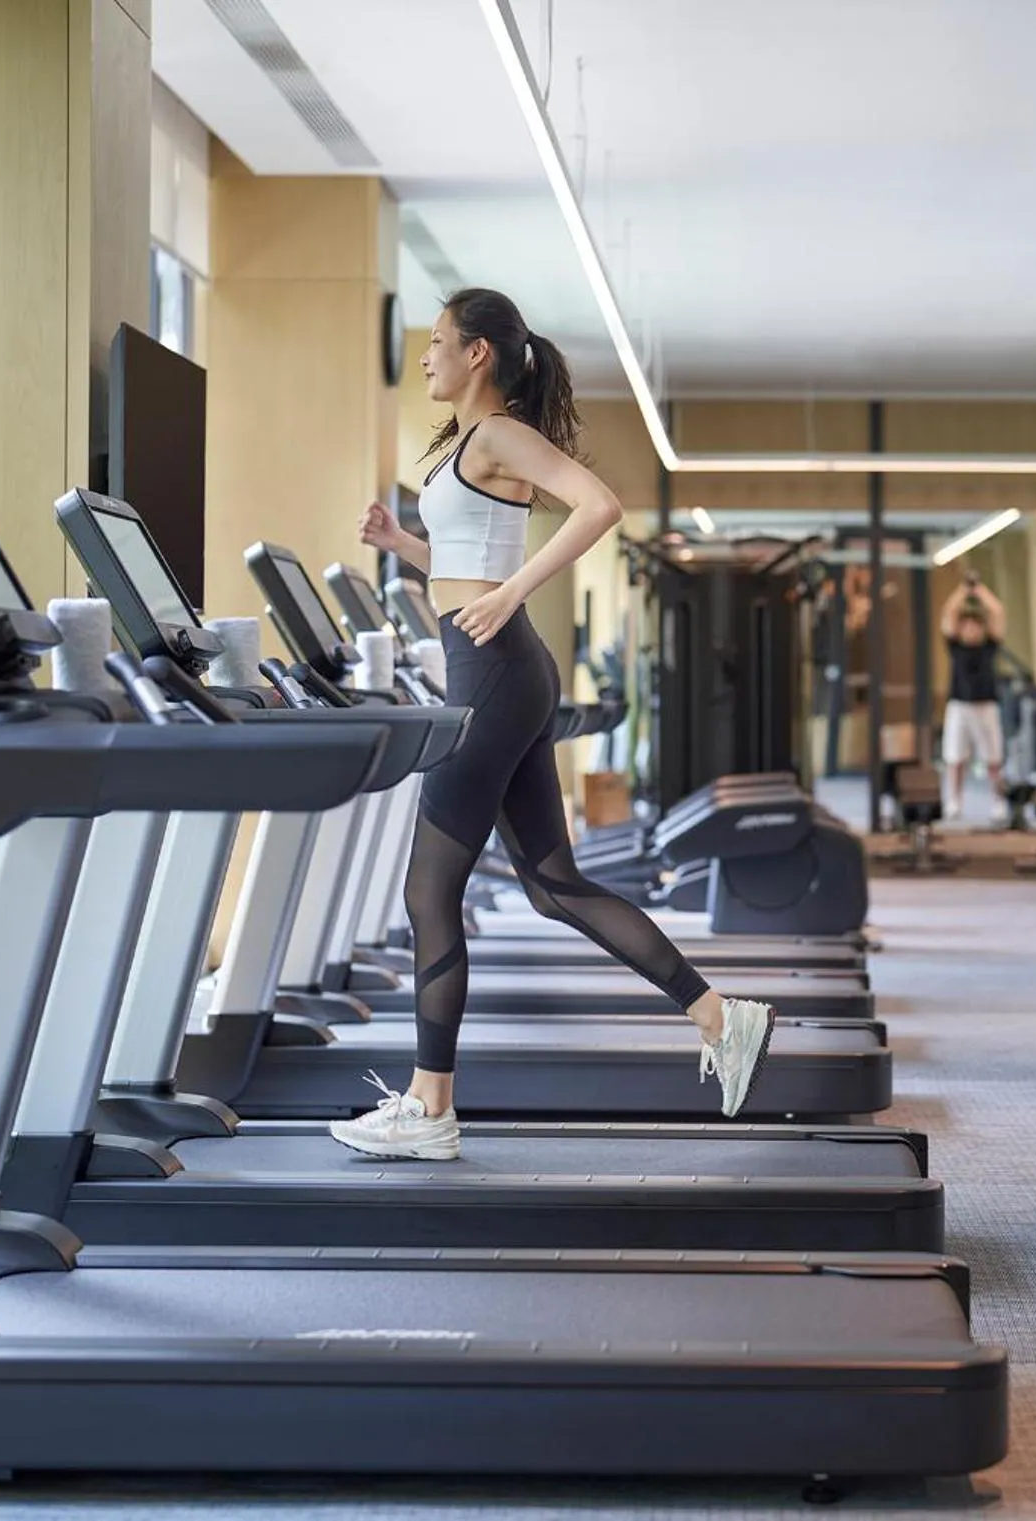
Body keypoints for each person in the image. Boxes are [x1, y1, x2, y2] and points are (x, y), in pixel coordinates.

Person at [333, 288, 774, 1160]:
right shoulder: (467, 445)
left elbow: (598, 504)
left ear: (478, 356)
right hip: (498, 666)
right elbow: (469, 561)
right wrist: (403, 547)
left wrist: (510, 592)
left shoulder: (498, 434)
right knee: (550, 883)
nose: (424, 357)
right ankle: (720, 1015)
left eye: (436, 342)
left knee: (429, 891)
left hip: (492, 671)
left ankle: (429, 1107)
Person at [938, 571, 1007, 822]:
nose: (970, 630)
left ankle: (998, 801)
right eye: (966, 625)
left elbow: (997, 612)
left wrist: (979, 591)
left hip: (986, 706)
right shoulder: (955, 646)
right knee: (955, 758)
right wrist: (963, 591)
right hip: (959, 706)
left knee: (993, 759)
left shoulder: (989, 646)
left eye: (975, 625)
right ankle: (954, 801)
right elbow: (949, 613)